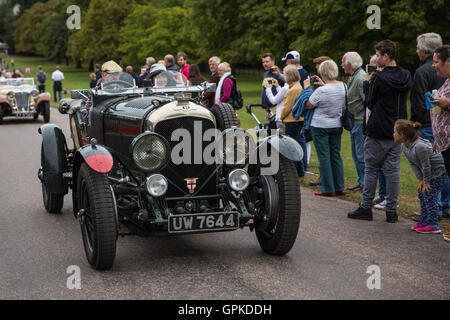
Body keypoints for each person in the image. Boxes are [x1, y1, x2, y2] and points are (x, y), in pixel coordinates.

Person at [348, 40, 412, 223]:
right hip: (398, 128)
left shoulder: (378, 77)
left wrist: (367, 83)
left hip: (378, 127)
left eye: (378, 55)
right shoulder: (406, 75)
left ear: (386, 55)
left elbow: (369, 102)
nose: (376, 59)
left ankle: (365, 207)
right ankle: (391, 210)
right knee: (392, 171)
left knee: (371, 168)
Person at [394, 119, 447, 234]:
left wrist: (426, 182)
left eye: (395, 132)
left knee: (429, 194)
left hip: (440, 171)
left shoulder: (419, 147)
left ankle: (433, 224)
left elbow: (426, 165)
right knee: (422, 193)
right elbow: (413, 163)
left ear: (402, 135)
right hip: (429, 174)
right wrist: (421, 179)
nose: (393, 134)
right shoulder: (404, 146)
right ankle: (424, 221)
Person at [305, 59, 345, 196]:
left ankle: (328, 188)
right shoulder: (343, 86)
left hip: (320, 124)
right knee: (335, 155)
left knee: (324, 156)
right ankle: (339, 186)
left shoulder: (321, 90)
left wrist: (306, 88)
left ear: (323, 72)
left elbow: (309, 104)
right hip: (337, 123)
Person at [411, 33, 444, 140]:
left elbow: (419, 102)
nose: (416, 51)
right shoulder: (445, 69)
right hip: (443, 120)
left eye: (418, 48)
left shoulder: (422, 72)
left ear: (425, 50)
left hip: (426, 124)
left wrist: (415, 123)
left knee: (427, 156)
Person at [342, 52, 367, 192]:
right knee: (356, 155)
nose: (341, 65)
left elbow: (367, 101)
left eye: (343, 62)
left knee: (361, 155)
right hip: (354, 121)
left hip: (359, 121)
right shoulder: (354, 77)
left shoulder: (360, 78)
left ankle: (364, 184)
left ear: (349, 64)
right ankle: (361, 182)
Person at [431, 45, 450, 225]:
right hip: (445, 144)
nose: (433, 65)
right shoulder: (446, 81)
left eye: (436, 62)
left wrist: (447, 103)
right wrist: (437, 138)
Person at [308, 56, 331, 187]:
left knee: (324, 152)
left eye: (318, 65)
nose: (316, 68)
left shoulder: (328, 84)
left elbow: (311, 103)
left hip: (323, 121)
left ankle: (325, 179)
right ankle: (325, 177)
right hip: (328, 121)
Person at [279, 65, 304, 176]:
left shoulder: (293, 90)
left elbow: (287, 107)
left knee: (292, 146)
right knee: (296, 144)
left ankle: (296, 171)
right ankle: (299, 171)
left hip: (292, 121)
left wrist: (281, 117)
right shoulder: (298, 87)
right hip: (297, 120)